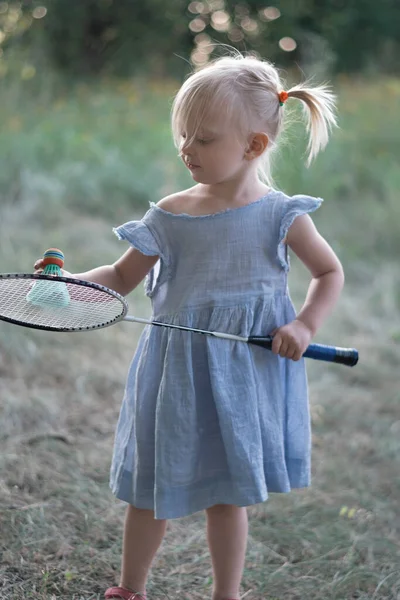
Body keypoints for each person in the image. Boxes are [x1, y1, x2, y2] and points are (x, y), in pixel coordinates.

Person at [34, 52, 345, 600]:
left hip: (244, 375)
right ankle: (130, 589)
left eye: (203, 140)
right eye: (182, 136)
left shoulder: (282, 215)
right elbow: (119, 276)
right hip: (174, 375)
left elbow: (329, 272)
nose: (186, 150)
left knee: (228, 496)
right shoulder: (170, 215)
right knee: (150, 489)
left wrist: (304, 325)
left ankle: (225, 594)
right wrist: (73, 285)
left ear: (253, 145)